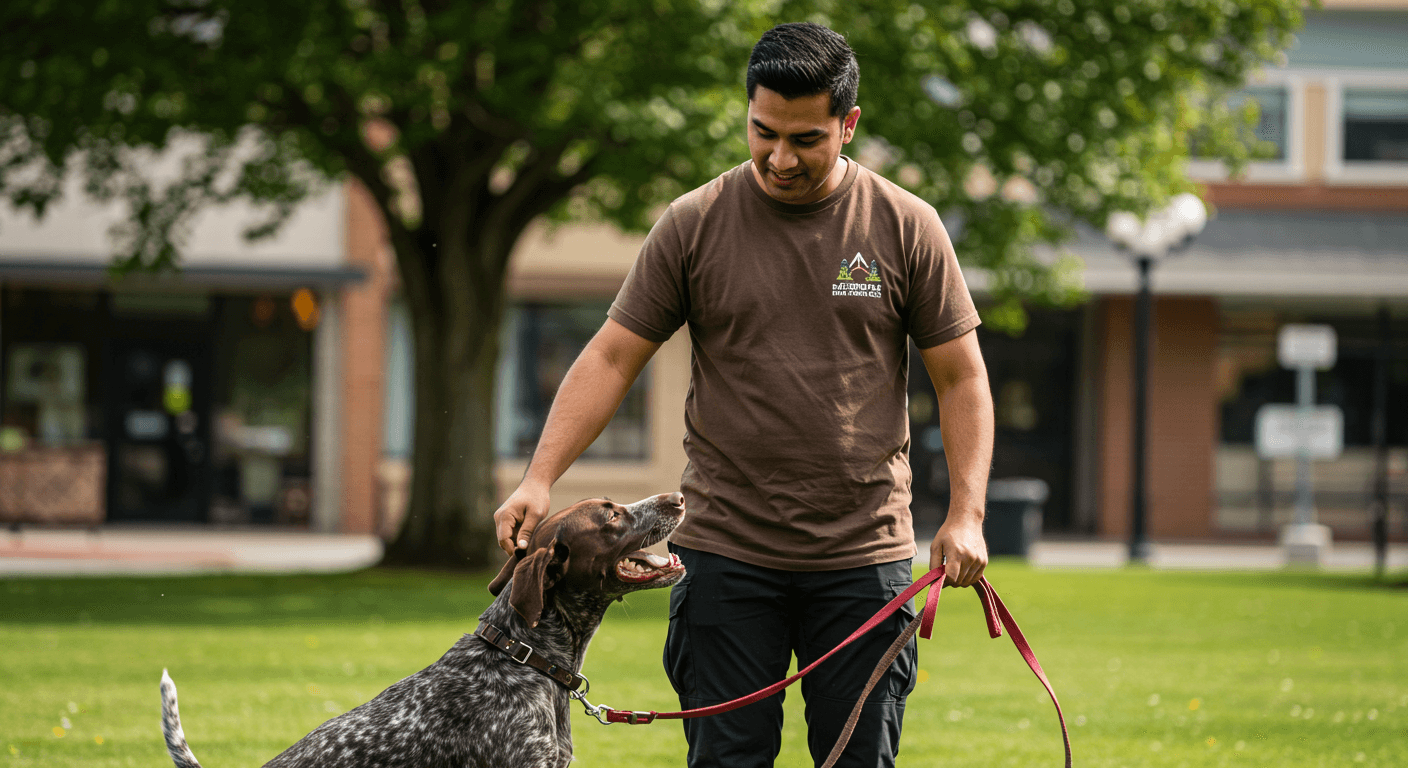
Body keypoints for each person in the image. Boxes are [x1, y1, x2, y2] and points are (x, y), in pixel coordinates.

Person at [493, 21, 994, 768]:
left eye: (805, 139)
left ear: (848, 125)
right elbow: (611, 357)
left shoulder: (905, 225)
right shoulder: (694, 224)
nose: (779, 157)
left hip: (863, 558)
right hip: (726, 554)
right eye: (764, 132)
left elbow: (963, 378)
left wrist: (967, 516)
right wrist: (539, 476)